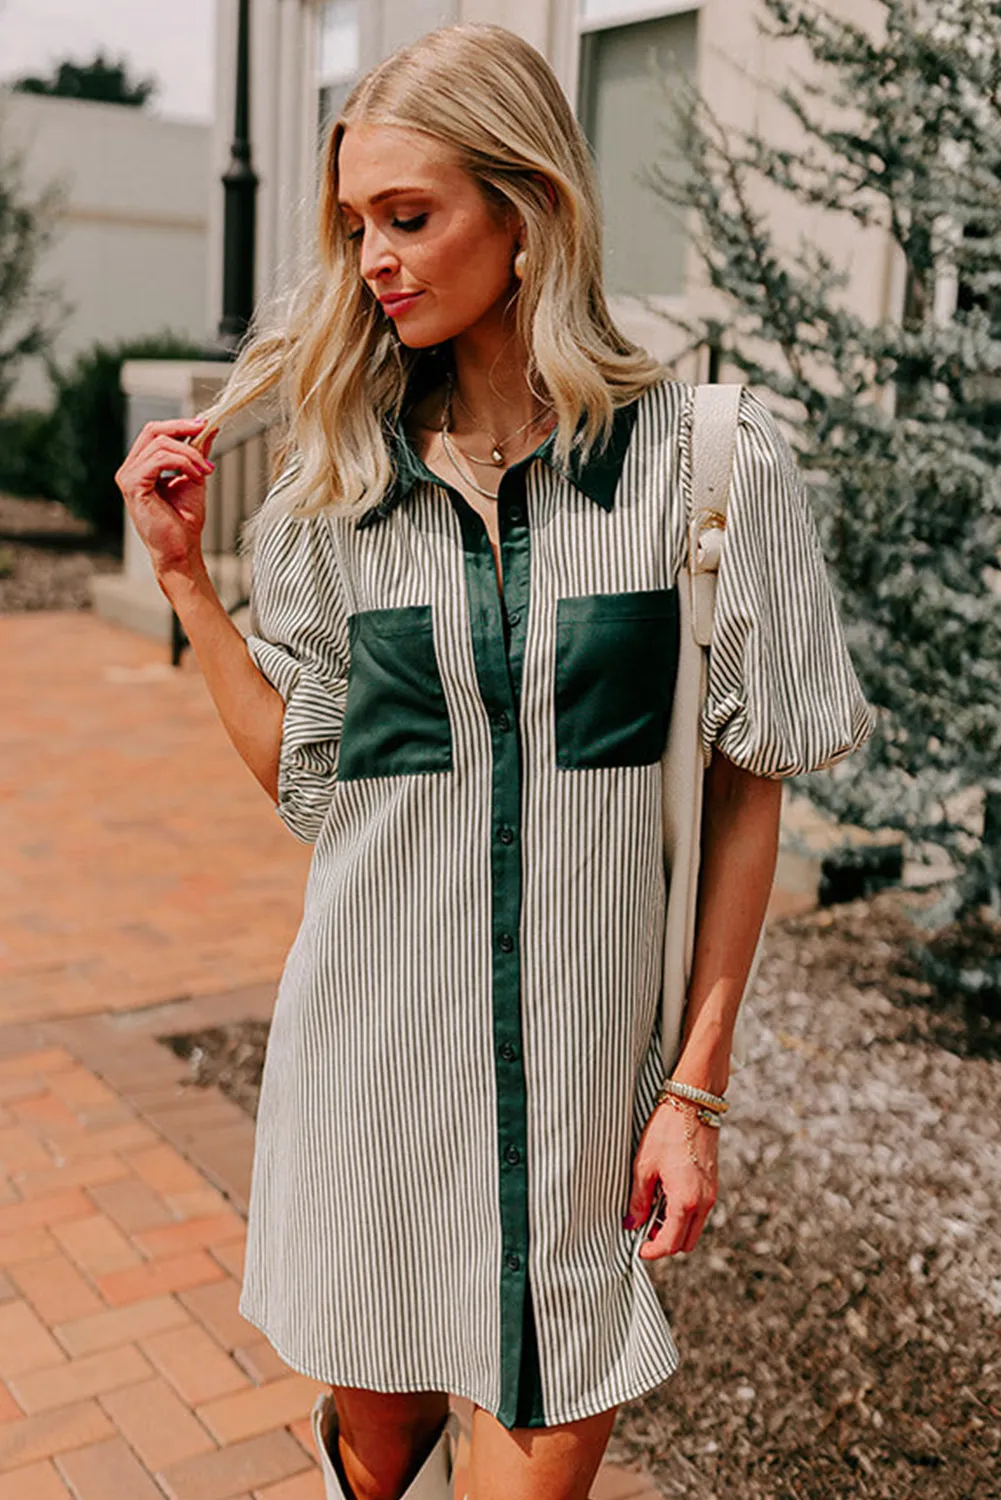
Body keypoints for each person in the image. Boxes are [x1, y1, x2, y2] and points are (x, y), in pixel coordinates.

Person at [115, 23, 875, 1500]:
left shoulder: (704, 465)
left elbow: (744, 796)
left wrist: (694, 1096)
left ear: (525, 213)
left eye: (412, 217)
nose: (376, 260)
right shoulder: (338, 490)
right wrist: (189, 587)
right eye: (357, 228)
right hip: (370, 1086)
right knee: (378, 1449)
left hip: (581, 1127)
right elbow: (312, 787)